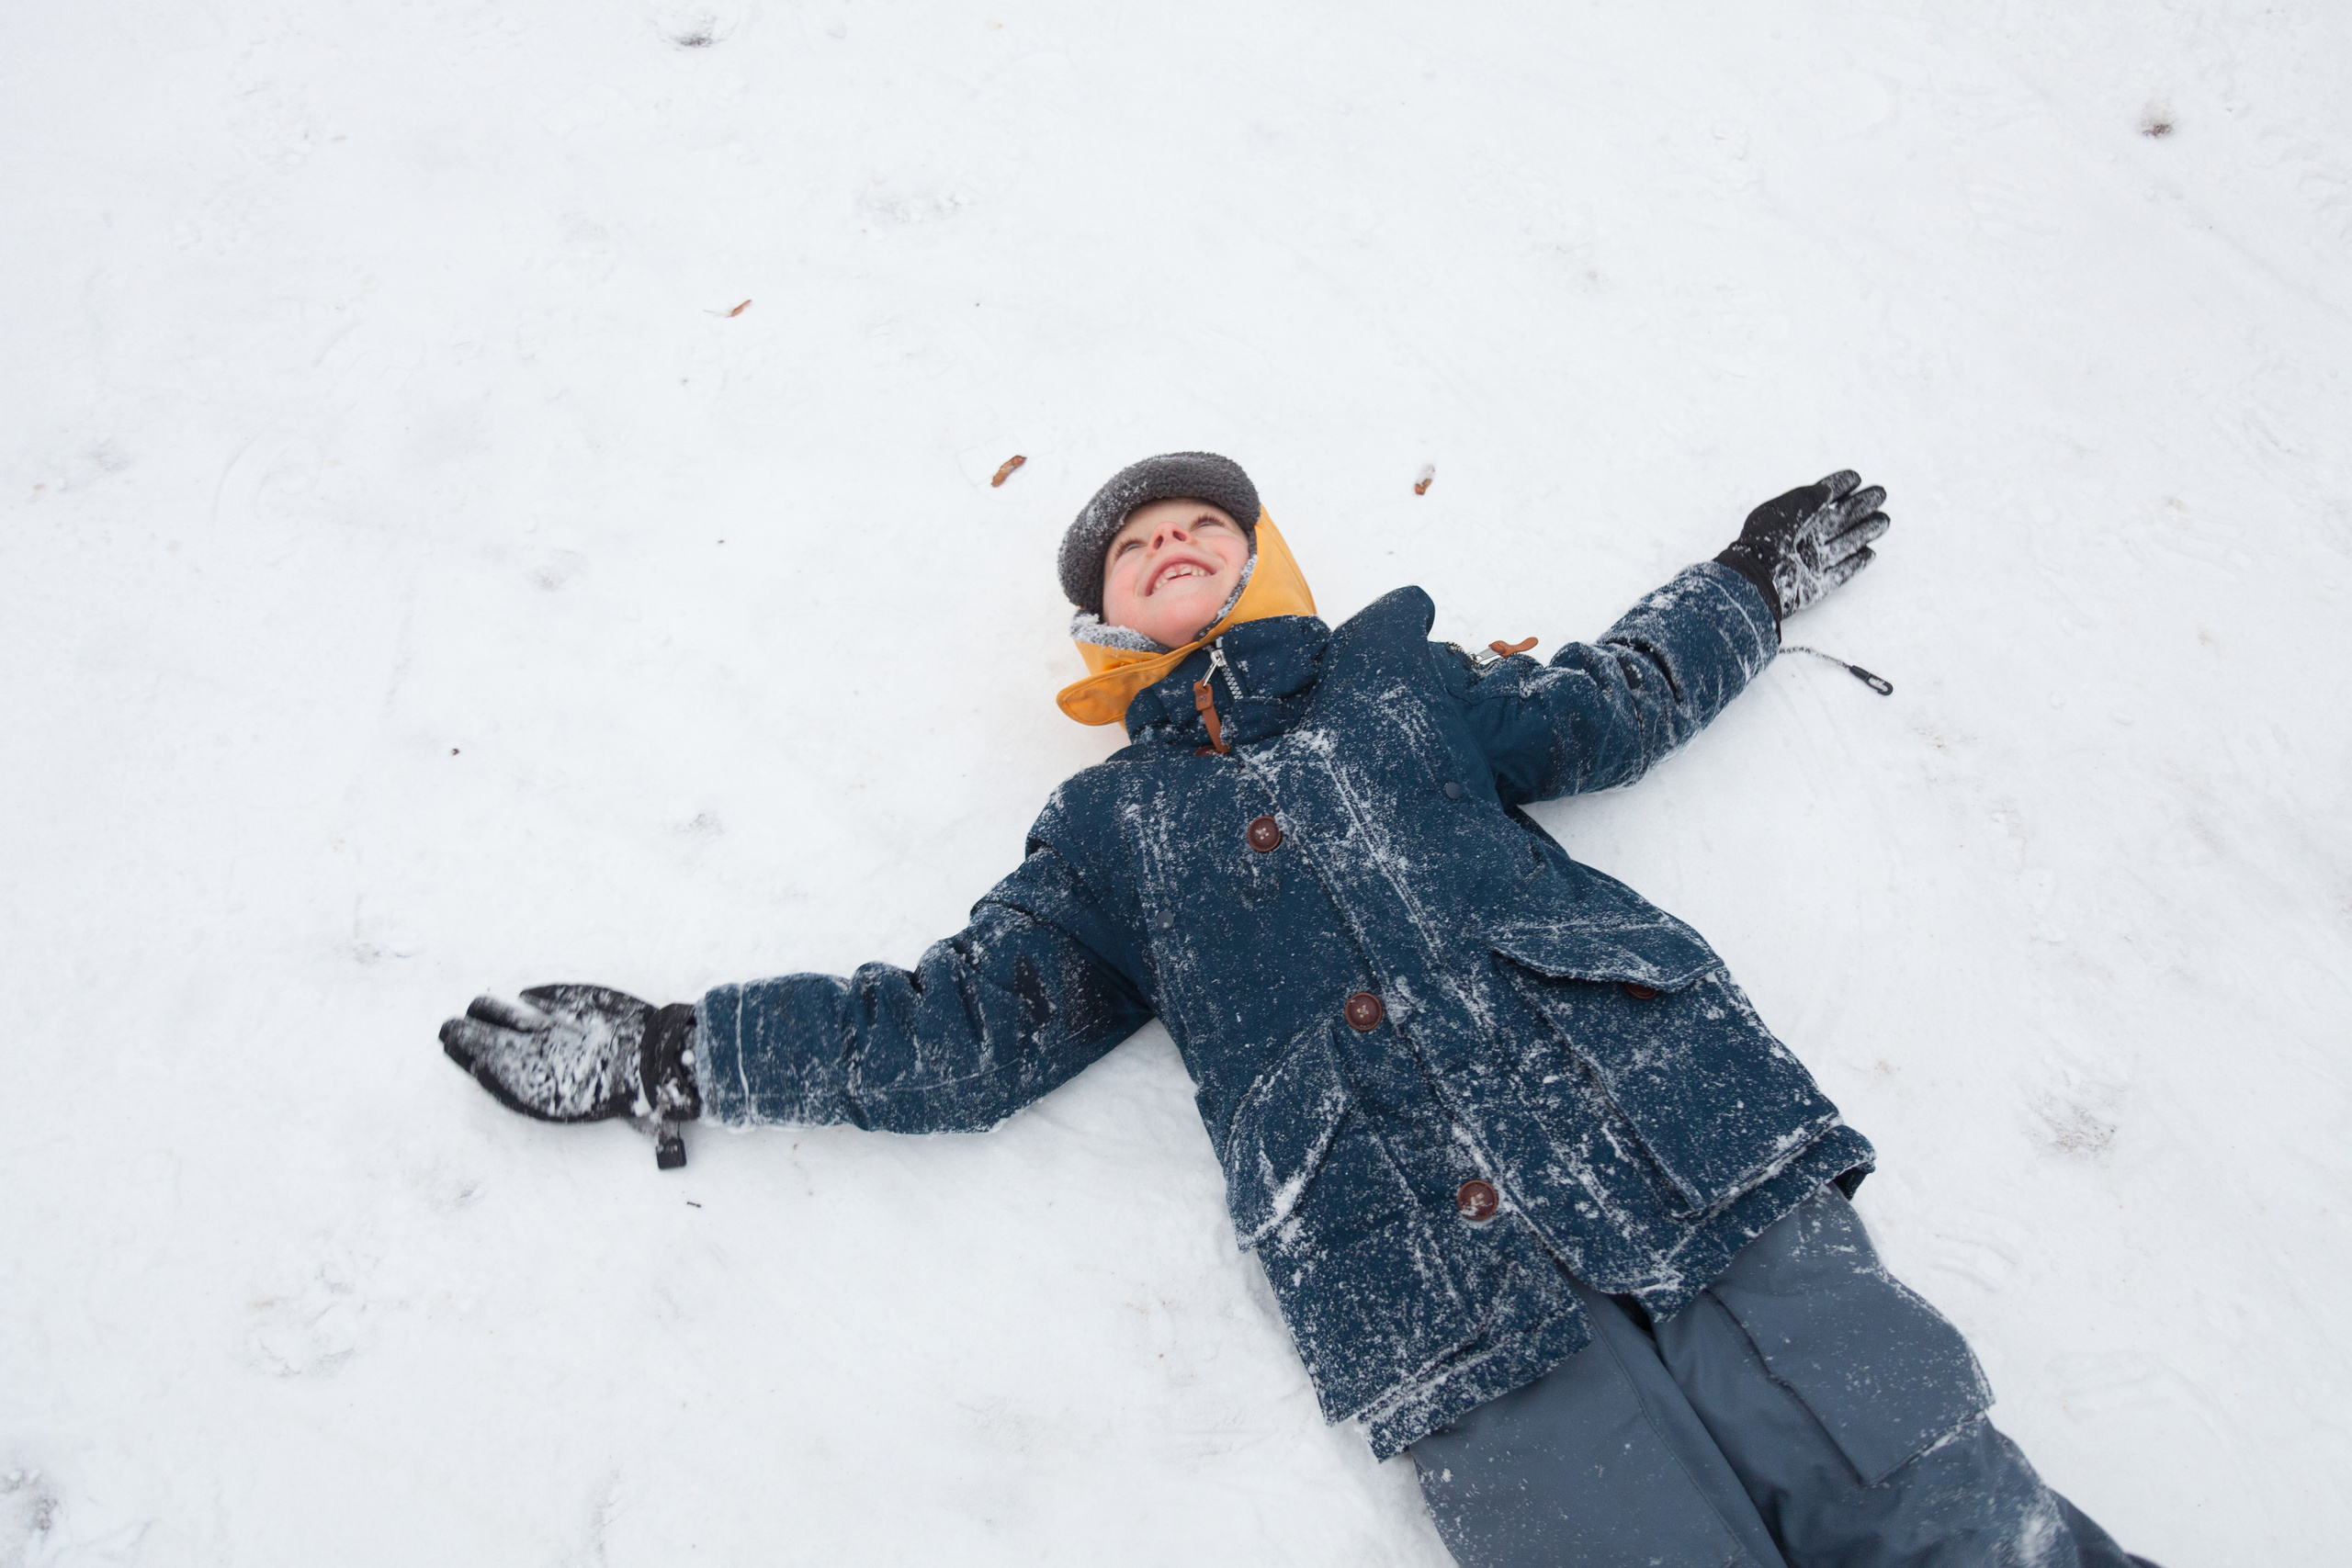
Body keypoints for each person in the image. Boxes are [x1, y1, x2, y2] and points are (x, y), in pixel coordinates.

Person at [440, 454, 2157, 1567]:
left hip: (1674, 1155)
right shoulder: (1106, 833)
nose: (1171, 543)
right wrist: (673, 1050)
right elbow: (958, 1032)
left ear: (1265, 570)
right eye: (1135, 548)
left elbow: (1614, 709)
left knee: (1939, 1505)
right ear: (1103, 630)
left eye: (1204, 526)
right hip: (1433, 1288)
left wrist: (1750, 583)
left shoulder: (1408, 683)